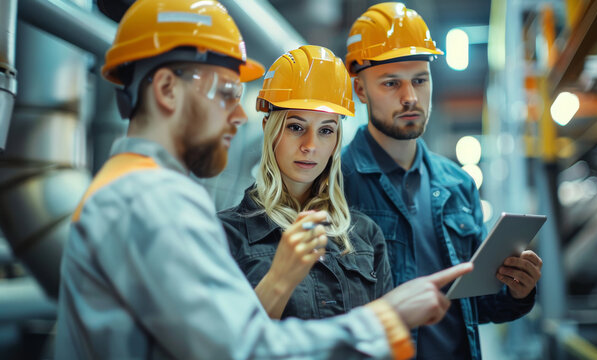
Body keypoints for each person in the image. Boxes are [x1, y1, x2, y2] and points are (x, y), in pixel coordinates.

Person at [54, 1, 472, 359]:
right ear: (166, 88)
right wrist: (385, 319)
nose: (238, 116)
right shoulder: (151, 202)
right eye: (224, 94)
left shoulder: (135, 191)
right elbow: (243, 348)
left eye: (327, 130)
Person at [341, 3, 544, 359]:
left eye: (420, 79)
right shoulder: (335, 184)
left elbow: (477, 307)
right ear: (360, 90)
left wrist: (517, 290)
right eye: (391, 83)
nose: (410, 97)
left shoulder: (458, 185)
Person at [218, 45, 393, 320]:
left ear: (336, 140)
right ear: (269, 128)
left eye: (326, 130)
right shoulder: (224, 236)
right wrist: (278, 279)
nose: (310, 145)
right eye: (296, 127)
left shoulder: (366, 237)